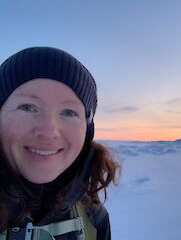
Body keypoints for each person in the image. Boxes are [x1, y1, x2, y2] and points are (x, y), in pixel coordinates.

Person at [0, 47, 120, 240]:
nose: (48, 132)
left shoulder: (94, 219)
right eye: (27, 107)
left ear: (86, 130)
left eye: (69, 112)